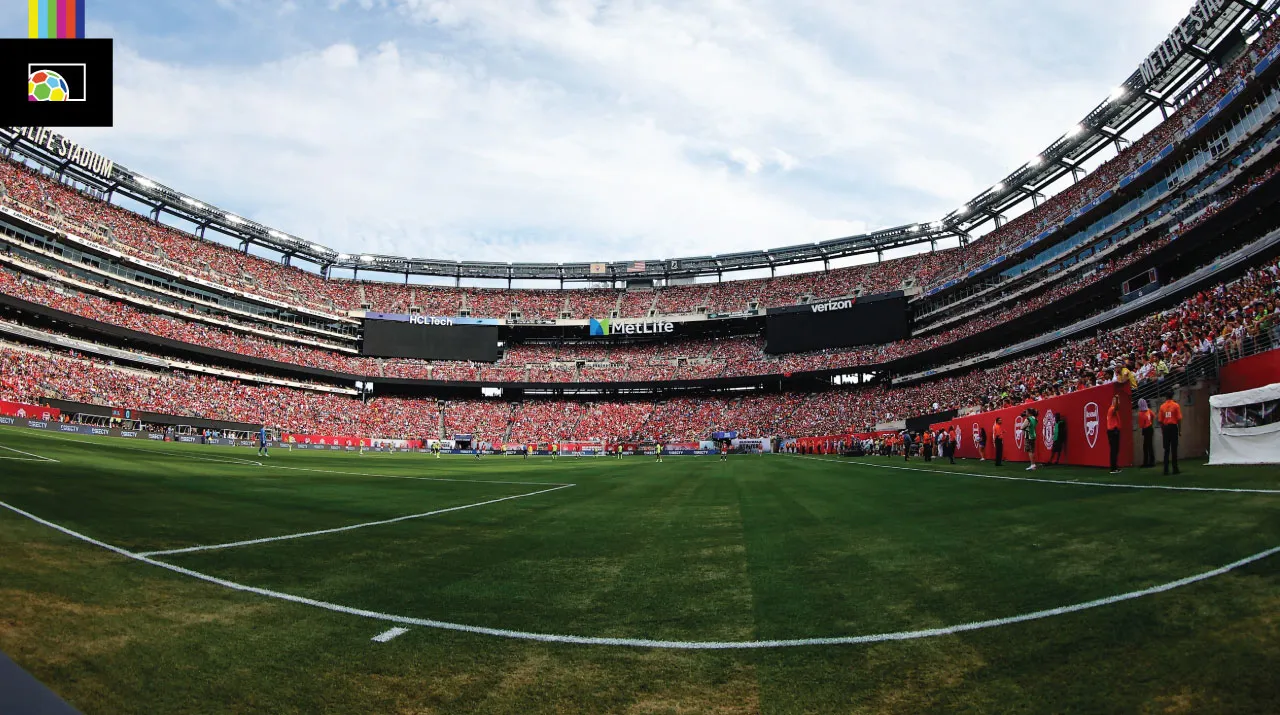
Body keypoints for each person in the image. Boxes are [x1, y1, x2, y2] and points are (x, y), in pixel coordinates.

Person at [1159, 392, 1182, 475]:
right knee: (1174, 448)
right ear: (1172, 396)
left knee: (1166, 449)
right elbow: (1179, 419)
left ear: (1166, 397)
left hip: (1166, 428)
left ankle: (1166, 469)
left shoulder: (1162, 406)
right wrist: (1179, 430)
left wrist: (1163, 430)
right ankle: (1175, 468)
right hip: (1173, 427)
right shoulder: (1176, 405)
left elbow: (1160, 420)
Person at [1106, 395, 1122, 474]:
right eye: (1116, 400)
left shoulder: (1112, 409)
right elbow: (1116, 408)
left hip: (1114, 431)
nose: (1118, 402)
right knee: (1114, 450)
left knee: (1115, 450)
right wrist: (1117, 398)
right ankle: (1113, 468)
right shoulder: (1112, 409)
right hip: (1113, 431)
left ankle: (1115, 466)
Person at [1138, 398, 1155, 468]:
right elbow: (1153, 416)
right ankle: (1151, 461)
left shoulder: (1140, 413)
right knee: (1149, 445)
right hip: (1150, 428)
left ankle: (1147, 462)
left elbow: (1141, 425)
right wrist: (1150, 422)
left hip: (1146, 429)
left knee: (1145, 446)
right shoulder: (1149, 410)